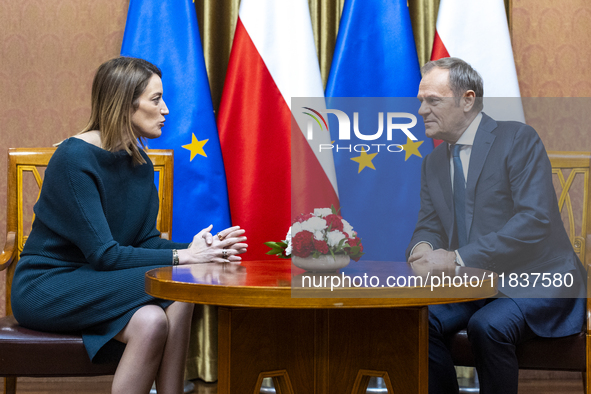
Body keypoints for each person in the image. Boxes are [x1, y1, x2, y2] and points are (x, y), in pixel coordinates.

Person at [10, 56, 247, 394]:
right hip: (49, 284)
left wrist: (199, 251)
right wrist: (183, 259)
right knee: (178, 278)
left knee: (160, 313)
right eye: (156, 99)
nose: (166, 109)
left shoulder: (138, 161)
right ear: (125, 103)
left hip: (100, 282)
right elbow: (105, 255)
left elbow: (145, 241)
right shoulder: (74, 159)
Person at [406, 57, 586, 394]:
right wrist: (423, 249)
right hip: (474, 284)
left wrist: (453, 259)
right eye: (420, 101)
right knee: (416, 321)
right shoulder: (432, 163)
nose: (421, 111)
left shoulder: (518, 139)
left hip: (539, 277)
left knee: (488, 325)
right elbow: (429, 224)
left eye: (432, 101)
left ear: (467, 100)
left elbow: (534, 221)